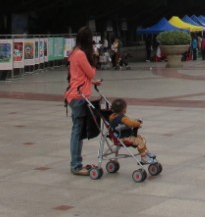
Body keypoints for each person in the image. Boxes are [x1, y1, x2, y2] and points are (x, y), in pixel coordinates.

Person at [66, 26, 101, 176]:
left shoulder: (75, 52)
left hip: (77, 94)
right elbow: (91, 72)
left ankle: (76, 163)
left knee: (78, 131)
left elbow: (79, 75)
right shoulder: (80, 54)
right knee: (77, 131)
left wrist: (92, 83)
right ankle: (76, 165)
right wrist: (95, 58)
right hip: (79, 96)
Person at [107, 98, 155, 164]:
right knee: (140, 141)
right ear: (124, 109)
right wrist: (138, 123)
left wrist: (133, 122)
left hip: (119, 137)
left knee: (141, 137)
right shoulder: (123, 118)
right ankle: (144, 158)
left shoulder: (112, 117)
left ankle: (145, 151)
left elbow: (127, 123)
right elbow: (130, 123)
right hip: (125, 138)